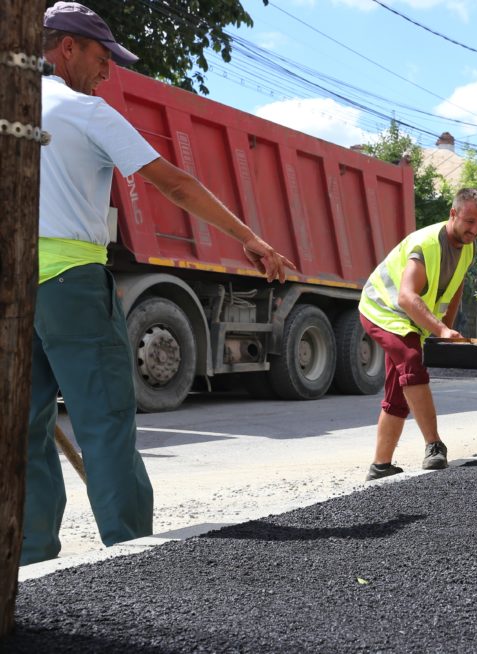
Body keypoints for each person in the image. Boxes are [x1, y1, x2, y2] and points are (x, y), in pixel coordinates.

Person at [26, 2, 294, 566]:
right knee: (104, 422)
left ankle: (31, 562)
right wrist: (251, 238)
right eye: (102, 58)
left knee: (23, 428)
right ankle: (131, 555)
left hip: (13, 289)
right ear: (66, 46)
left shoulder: (12, 108)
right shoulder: (85, 111)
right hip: (70, 282)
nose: (106, 72)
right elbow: (174, 184)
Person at [359, 188, 477, 480]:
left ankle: (380, 466)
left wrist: (445, 328)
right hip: (383, 309)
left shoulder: (468, 248)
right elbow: (405, 296)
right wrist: (439, 327)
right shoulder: (427, 244)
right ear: (453, 214)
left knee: (399, 389)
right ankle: (434, 445)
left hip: (410, 320)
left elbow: (456, 287)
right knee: (411, 360)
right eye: (469, 221)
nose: (475, 230)